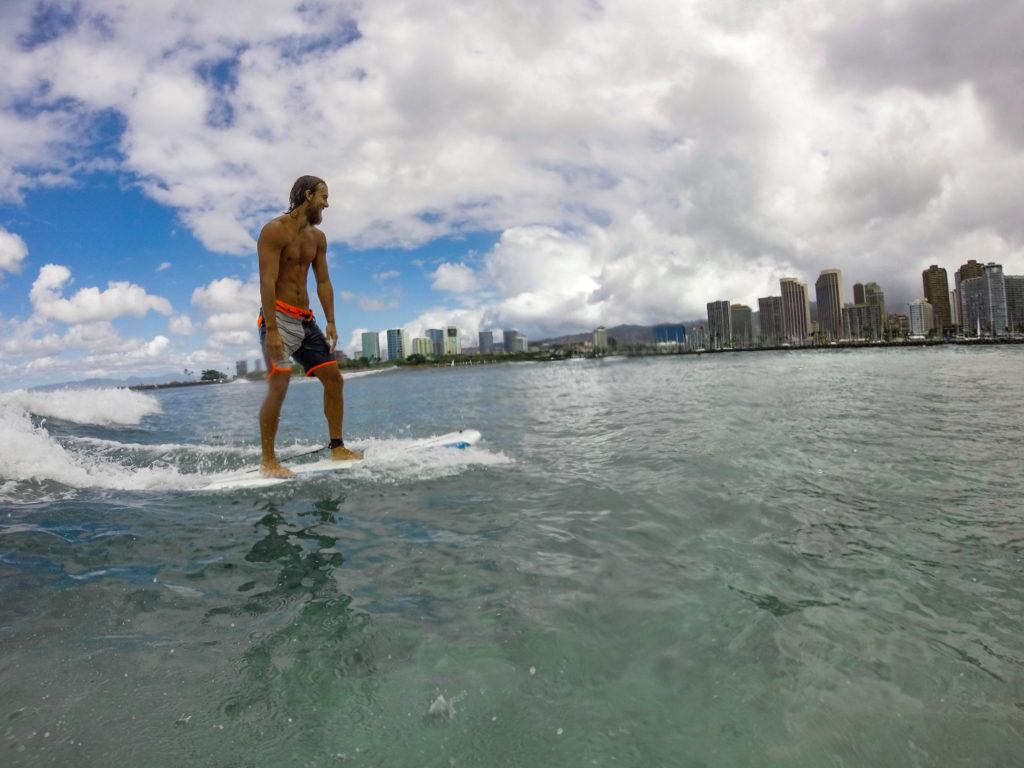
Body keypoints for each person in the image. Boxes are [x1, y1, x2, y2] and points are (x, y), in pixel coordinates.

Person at [257, 175, 363, 477]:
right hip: (278, 319)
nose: (327, 204)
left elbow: (324, 281)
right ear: (307, 195)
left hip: (306, 321)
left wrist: (330, 320)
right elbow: (267, 281)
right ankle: (268, 462)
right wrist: (272, 330)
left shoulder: (318, 238)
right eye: (323, 197)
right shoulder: (274, 231)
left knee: (334, 380)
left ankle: (337, 447)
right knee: (279, 385)